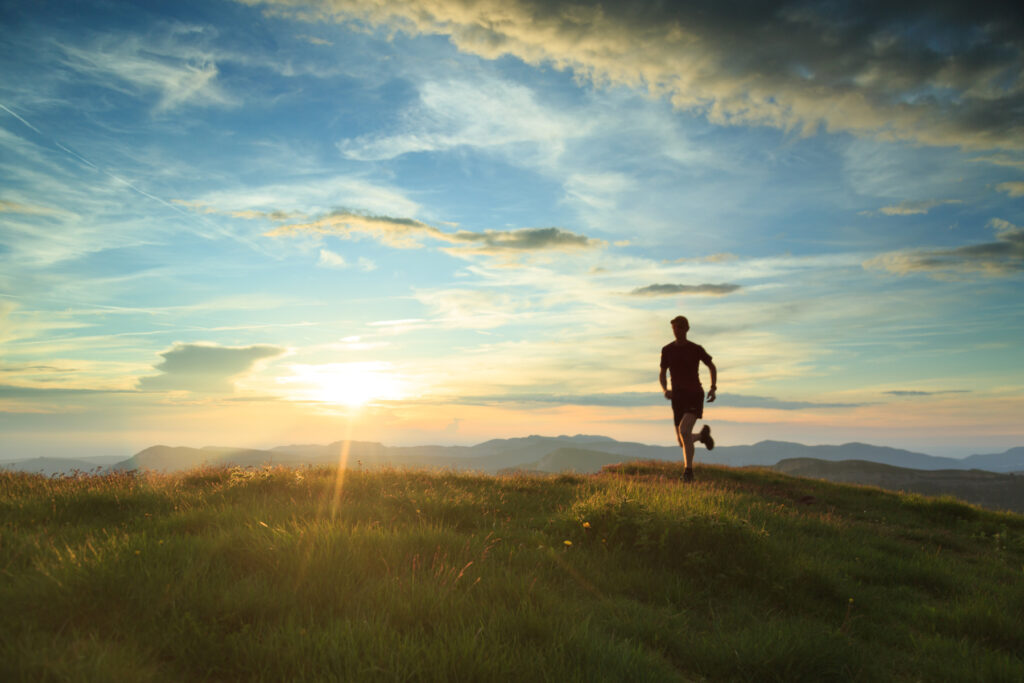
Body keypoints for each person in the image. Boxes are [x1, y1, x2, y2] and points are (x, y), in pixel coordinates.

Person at [659, 315, 716, 482]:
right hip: (677, 397)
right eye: (674, 328)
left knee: (684, 431)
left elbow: (711, 366)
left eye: (680, 328)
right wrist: (665, 389)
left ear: (687, 329)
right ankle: (701, 437)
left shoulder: (696, 349)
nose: (677, 331)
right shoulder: (667, 350)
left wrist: (713, 388)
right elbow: (662, 373)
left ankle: (688, 472)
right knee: (682, 441)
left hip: (694, 395)